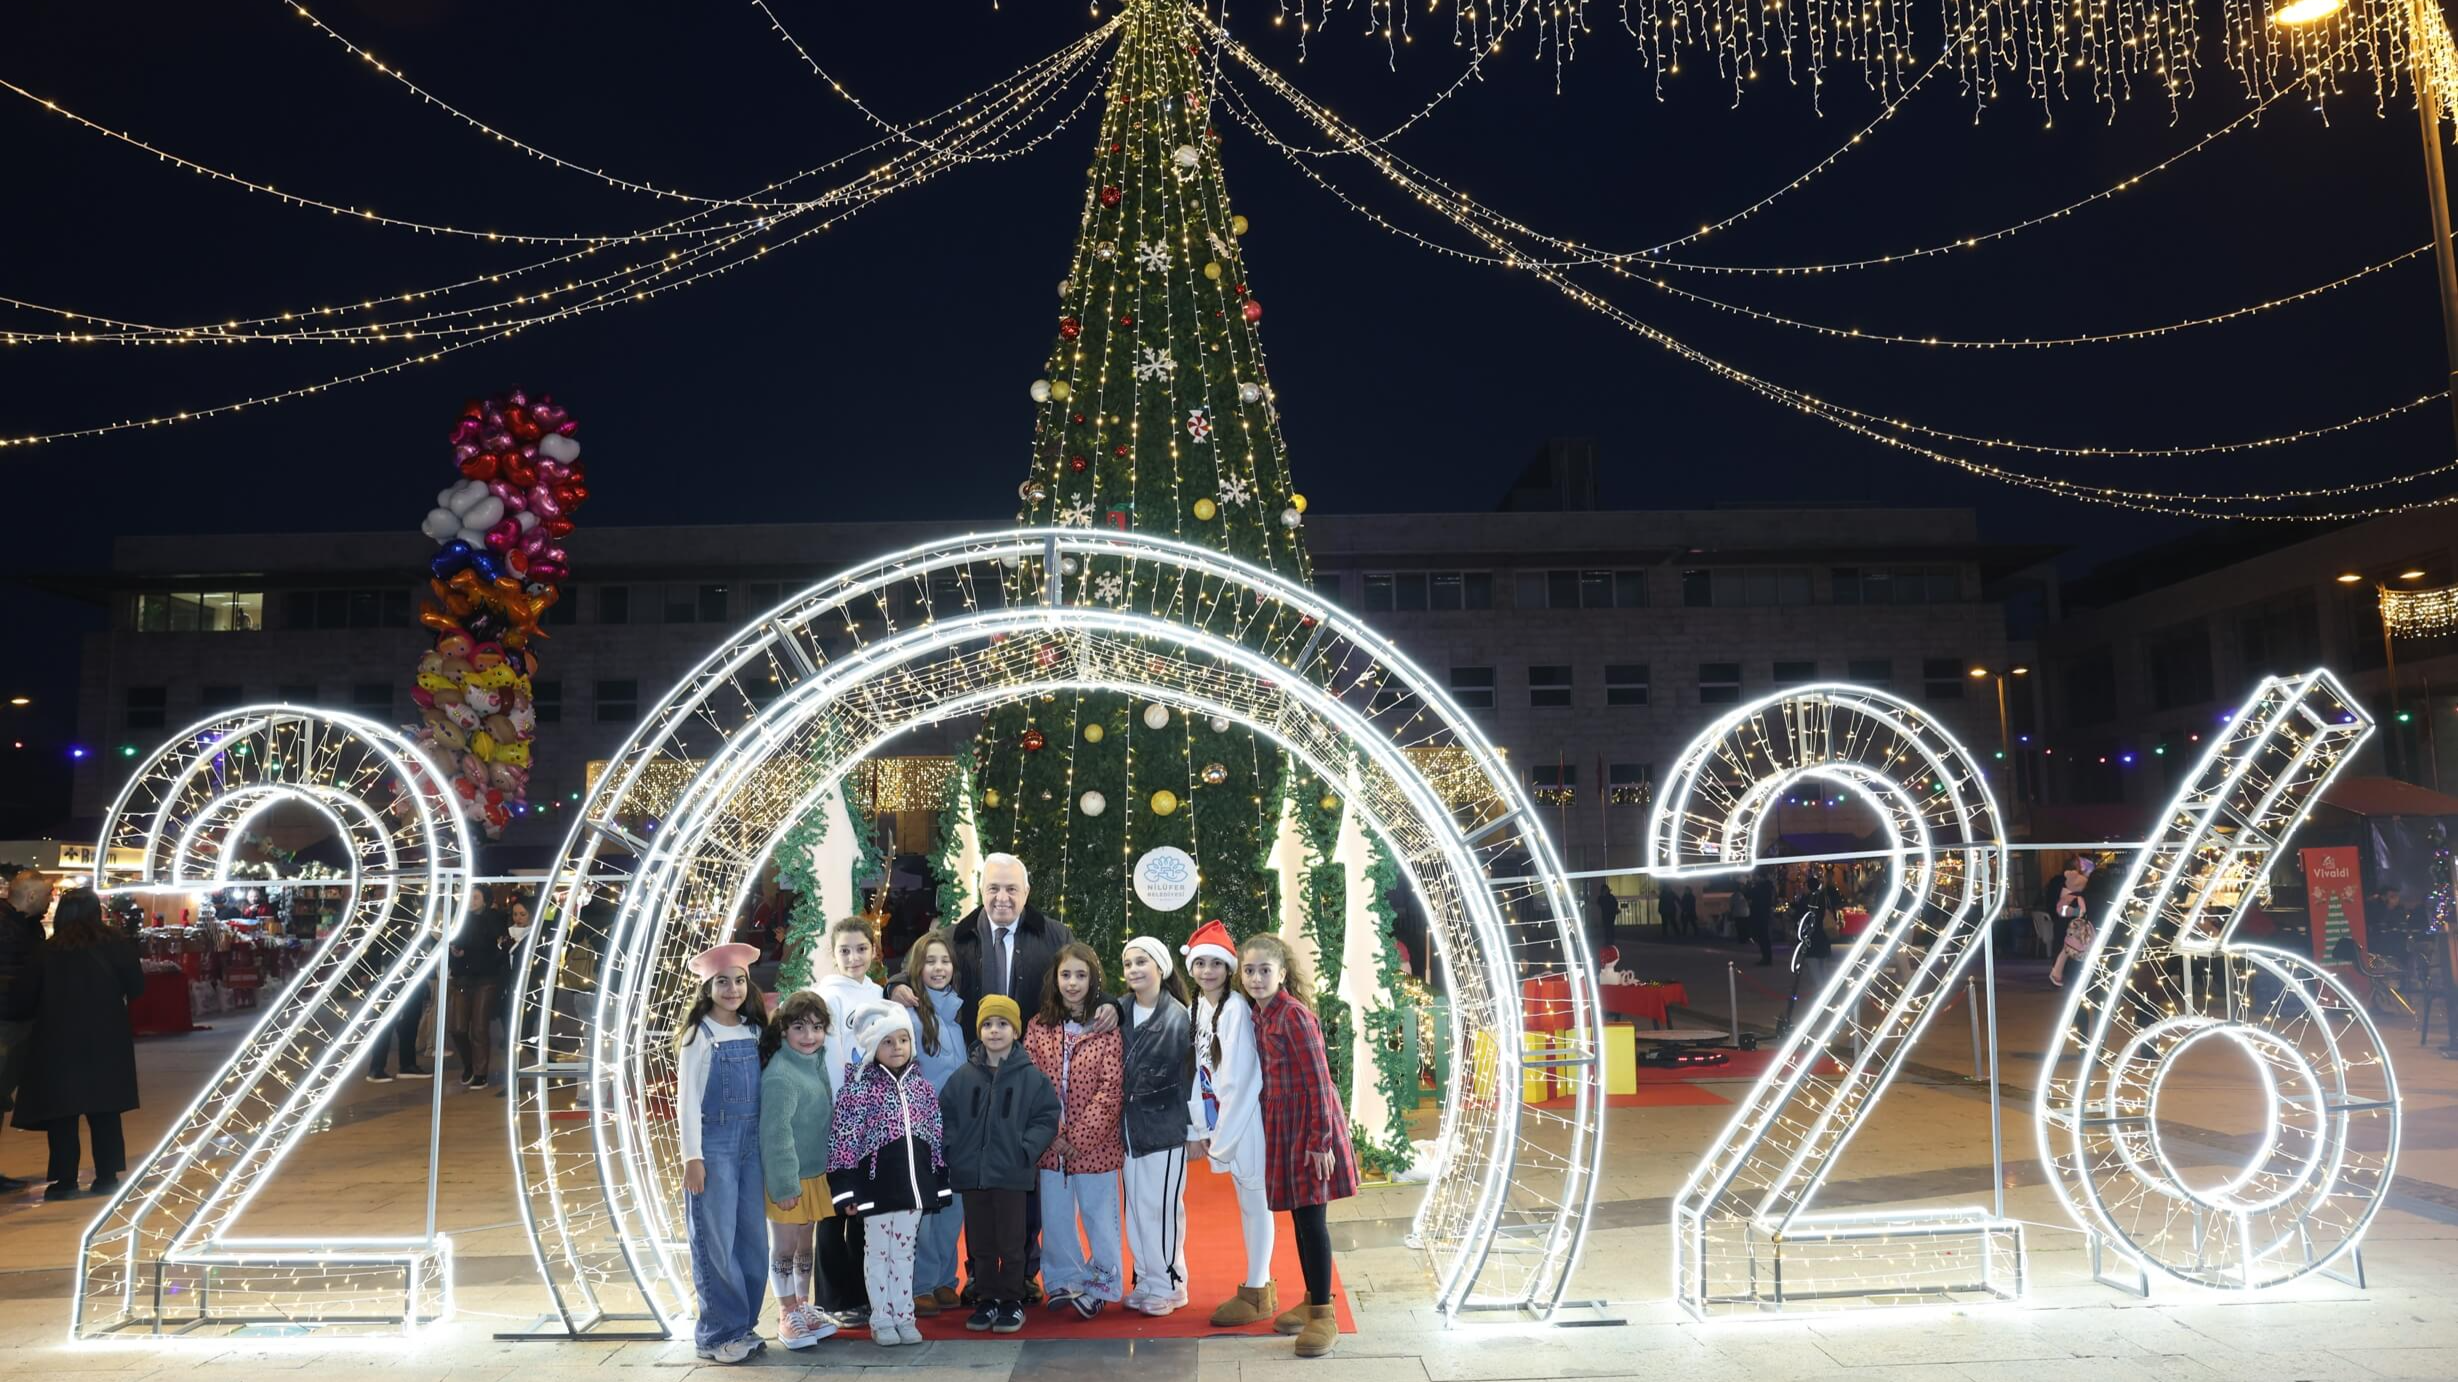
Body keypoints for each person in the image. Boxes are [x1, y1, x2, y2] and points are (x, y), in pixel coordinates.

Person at [883, 853, 1114, 1301]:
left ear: (1026, 893)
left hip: (1027, 1076)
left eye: (1011, 889)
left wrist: (1113, 1004)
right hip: (975, 1078)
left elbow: (1083, 979)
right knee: (976, 1185)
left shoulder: (1054, 935)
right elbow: (922, 967)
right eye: (993, 888)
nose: (1002, 897)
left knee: (1020, 1181)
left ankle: (1024, 1272)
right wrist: (894, 986)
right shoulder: (959, 936)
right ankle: (978, 1273)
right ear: (981, 890)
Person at [1239, 932, 1358, 1358]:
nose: (1255, 978)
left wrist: (1320, 1141)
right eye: (1249, 970)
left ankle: (1325, 1315)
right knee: (1298, 1218)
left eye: (1264, 970)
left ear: (1282, 973)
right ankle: (1312, 1299)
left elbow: (1319, 1083)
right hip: (1283, 1126)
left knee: (1312, 1221)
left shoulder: (1294, 1016)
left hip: (1309, 1129)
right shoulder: (1259, 1013)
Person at [827, 1000, 952, 1348]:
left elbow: (934, 1135)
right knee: (878, 1253)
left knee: (904, 1253)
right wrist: (845, 1189)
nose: (896, 1047)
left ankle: (904, 1315)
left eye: (902, 1040)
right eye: (887, 1041)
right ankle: (881, 1317)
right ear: (871, 1046)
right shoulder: (859, 1089)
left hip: (912, 1190)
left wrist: (939, 1181)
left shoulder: (921, 1088)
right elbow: (843, 1141)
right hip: (876, 1190)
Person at [14, 888, 145, 1202]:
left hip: (56, 1039)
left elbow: (22, 1000)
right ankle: (107, 1176)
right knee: (105, 1110)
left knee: (63, 1112)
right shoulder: (116, 945)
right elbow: (137, 987)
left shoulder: (46, 951)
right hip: (107, 1037)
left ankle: (65, 1181)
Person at [938, 993, 1058, 1336]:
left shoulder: (1031, 1078)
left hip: (1012, 1174)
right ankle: (987, 1296)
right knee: (980, 1242)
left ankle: (1011, 1299)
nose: (994, 1031)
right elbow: (946, 1115)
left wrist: (1026, 1150)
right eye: (988, 1024)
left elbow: (1046, 1117)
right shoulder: (964, 1077)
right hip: (973, 1175)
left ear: (1016, 1031)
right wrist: (953, 1149)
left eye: (1003, 1024)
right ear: (979, 1030)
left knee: (1011, 1240)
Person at [676, 941, 771, 1365]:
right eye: (722, 982)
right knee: (715, 1240)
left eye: (739, 981)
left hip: (751, 1148)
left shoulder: (754, 1032)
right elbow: (687, 1101)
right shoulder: (700, 1036)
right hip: (712, 1149)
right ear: (707, 987)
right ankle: (717, 1332)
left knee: (751, 1239)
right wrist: (692, 1157)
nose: (732, 989)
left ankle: (744, 1324)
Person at [1026, 941, 1125, 1319]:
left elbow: (1111, 1089)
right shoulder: (1039, 1026)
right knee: (1056, 1217)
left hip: (1094, 1147)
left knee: (1101, 1218)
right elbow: (1031, 1084)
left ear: (1092, 979)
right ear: (1055, 978)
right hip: (1052, 1146)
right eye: (1066, 975)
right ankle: (1064, 1279)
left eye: (1080, 975)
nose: (1072, 983)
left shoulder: (1105, 1028)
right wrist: (1055, 1133)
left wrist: (1079, 1137)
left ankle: (1102, 1282)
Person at [1184, 918, 1275, 1326]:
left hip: (1244, 1122)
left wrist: (1221, 1140)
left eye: (1215, 964)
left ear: (1228, 969)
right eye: (1200, 963)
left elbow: (1241, 1080)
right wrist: (1202, 1129)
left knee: (1256, 1203)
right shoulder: (1197, 1007)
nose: (1207, 971)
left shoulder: (1236, 1009)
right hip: (1220, 1119)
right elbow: (1200, 1073)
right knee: (1246, 1203)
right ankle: (1258, 1285)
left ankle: (1258, 1289)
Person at [807, 915, 884, 1327]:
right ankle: (834, 1296)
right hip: (837, 1116)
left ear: (873, 949)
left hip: (872, 1117)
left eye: (861, 949)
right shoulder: (823, 996)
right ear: (833, 955)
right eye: (845, 950)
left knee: (864, 1210)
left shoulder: (880, 993)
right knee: (834, 1210)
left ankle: (863, 1292)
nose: (854, 957)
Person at [758, 990, 840, 1351]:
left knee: (806, 1244)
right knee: (785, 1247)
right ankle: (785, 1313)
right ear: (784, 1030)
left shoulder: (814, 1062)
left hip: (812, 1174)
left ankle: (803, 1306)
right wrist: (785, 1184)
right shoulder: (780, 1074)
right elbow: (776, 1135)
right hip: (789, 1180)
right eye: (799, 1027)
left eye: (817, 1027)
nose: (809, 1036)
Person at [1116, 935, 1192, 1316]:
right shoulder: (1119, 1010)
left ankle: (1169, 1284)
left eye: (1142, 962)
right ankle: (1146, 1278)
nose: (1134, 970)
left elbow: (1190, 1076)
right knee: (1136, 1208)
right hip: (1130, 1132)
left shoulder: (1177, 1016)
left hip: (1165, 1129)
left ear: (1160, 967)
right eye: (1128, 963)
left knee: (1162, 1208)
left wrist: (1194, 1130)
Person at [902, 928, 969, 1318]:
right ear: (917, 967)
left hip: (956, 1131)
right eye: (931, 961)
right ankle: (920, 1283)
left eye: (945, 961)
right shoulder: (909, 1016)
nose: (939, 968)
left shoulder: (955, 1019)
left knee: (952, 1208)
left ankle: (945, 1278)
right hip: (922, 1131)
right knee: (926, 1211)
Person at [0, 867, 54, 1191]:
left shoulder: (29, 929)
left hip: (18, 1023)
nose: (50, 901)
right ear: (32, 895)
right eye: (47, 894)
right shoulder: (8, 927)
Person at [446, 886, 510, 1088]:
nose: (471, 901)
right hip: (462, 978)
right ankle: (469, 1065)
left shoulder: (495, 919)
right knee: (457, 1028)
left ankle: (480, 1072)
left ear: (485, 900)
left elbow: (501, 947)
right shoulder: (459, 919)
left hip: (486, 979)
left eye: (476, 897)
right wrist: (454, 954)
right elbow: (452, 945)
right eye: (469, 897)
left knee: (480, 1028)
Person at [2048, 857, 2097, 988]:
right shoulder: (2076, 890)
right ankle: (2063, 973)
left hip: (2063, 922)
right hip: (2071, 923)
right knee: (2072, 945)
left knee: (2065, 947)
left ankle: (2058, 972)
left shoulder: (2059, 885)